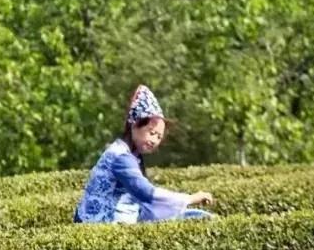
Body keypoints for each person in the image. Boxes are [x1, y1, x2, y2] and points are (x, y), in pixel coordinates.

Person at [74, 85, 215, 224]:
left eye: (159, 137)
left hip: (111, 220)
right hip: (98, 223)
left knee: (195, 217)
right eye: (152, 132)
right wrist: (190, 199)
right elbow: (146, 193)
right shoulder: (121, 157)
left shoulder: (129, 154)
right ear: (134, 125)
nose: (154, 140)